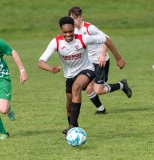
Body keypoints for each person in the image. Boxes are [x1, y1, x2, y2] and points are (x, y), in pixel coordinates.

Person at [37, 16, 131, 135]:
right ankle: (74, 129)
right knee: (69, 106)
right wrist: (51, 68)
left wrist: (119, 58)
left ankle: (71, 126)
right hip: (69, 76)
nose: (68, 34)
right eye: (65, 32)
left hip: (87, 70)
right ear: (61, 31)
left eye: (70, 31)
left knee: (76, 87)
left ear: (74, 28)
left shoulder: (83, 39)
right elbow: (40, 62)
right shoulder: (56, 42)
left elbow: (106, 39)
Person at [68, 6, 110, 115]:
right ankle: (102, 109)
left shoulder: (89, 28)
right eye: (71, 19)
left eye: (76, 18)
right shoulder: (73, 30)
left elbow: (106, 39)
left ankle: (122, 85)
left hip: (101, 60)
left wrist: (102, 55)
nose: (74, 21)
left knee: (98, 90)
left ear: (81, 17)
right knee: (88, 89)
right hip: (89, 63)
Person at [0, 38, 28, 140]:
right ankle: (3, 133)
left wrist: (22, 71)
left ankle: (8, 108)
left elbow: (13, 53)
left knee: (3, 109)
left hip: (2, 78)